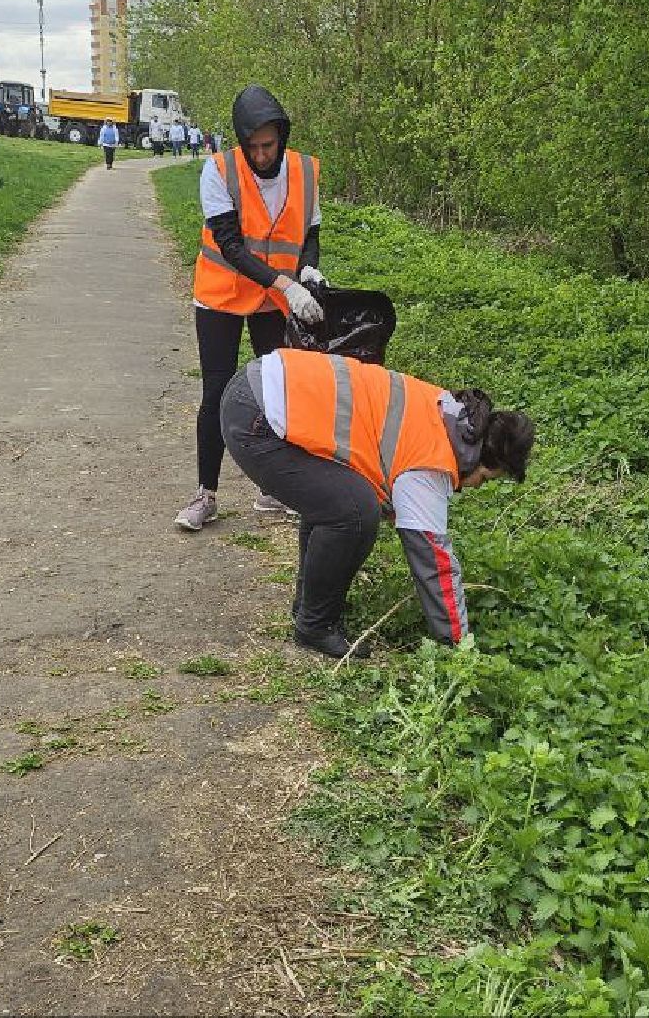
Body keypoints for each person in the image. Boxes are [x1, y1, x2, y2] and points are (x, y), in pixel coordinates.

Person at [221, 348, 534, 658]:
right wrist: (459, 646)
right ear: (486, 463)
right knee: (355, 512)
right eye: (486, 479)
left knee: (337, 500)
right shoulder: (430, 464)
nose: (476, 487)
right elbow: (434, 564)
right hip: (258, 421)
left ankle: (310, 605)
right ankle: (314, 624)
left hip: (258, 384)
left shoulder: (445, 412)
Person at [176, 84, 325, 532]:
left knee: (278, 392)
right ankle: (206, 494)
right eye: (253, 147)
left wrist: (309, 272)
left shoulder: (305, 171)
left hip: (274, 299)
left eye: (269, 145)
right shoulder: (218, 171)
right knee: (217, 392)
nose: (262, 155)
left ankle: (273, 491)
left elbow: (310, 234)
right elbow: (232, 246)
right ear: (241, 142)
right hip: (222, 293)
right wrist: (289, 285)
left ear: (281, 136)